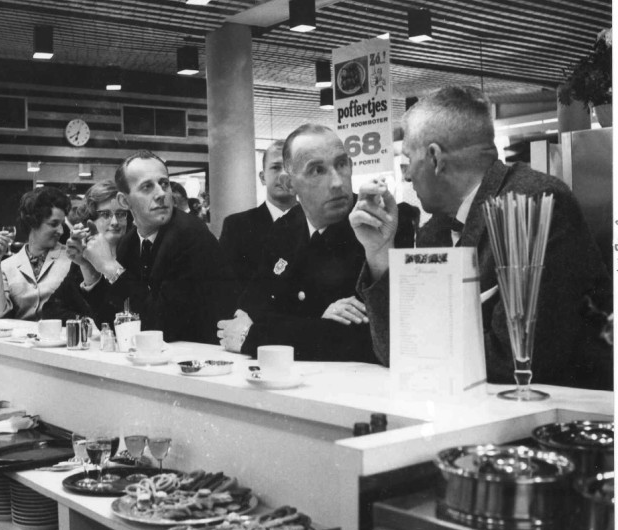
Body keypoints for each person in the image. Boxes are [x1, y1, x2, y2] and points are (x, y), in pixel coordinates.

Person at [350, 85, 612, 389]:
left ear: (434, 158)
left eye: (407, 161)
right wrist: (379, 253)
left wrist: (419, 349)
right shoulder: (434, 231)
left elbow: (517, 359)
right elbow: (393, 350)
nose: (406, 177)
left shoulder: (530, 203)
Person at [217, 124, 378, 362]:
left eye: (341, 164)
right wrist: (317, 322)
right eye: (317, 170)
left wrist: (258, 335)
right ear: (290, 184)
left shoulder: (374, 224)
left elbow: (361, 337)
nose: (336, 182)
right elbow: (250, 307)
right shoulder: (286, 228)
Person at [77, 150, 236, 343]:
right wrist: (88, 269)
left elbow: (162, 328)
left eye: (164, 184)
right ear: (124, 201)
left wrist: (111, 268)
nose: (161, 194)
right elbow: (112, 325)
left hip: (202, 359)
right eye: (147, 187)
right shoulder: (130, 242)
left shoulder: (190, 234)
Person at [42, 180, 128, 322]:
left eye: (120, 214)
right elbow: (51, 310)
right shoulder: (82, 259)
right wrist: (85, 320)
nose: (115, 222)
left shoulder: (135, 255)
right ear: (90, 220)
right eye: (106, 215)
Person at [219, 140, 297, 290]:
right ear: (262, 177)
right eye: (275, 167)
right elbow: (225, 284)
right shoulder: (237, 226)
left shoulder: (315, 221)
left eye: (289, 168)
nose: (283, 174)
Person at [0, 187, 71, 320]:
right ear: (33, 223)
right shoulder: (7, 266)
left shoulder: (72, 259)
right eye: (54, 224)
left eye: (62, 224)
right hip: (20, 340)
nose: (60, 230)